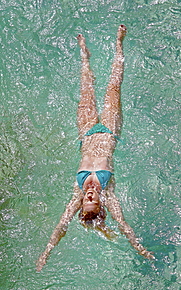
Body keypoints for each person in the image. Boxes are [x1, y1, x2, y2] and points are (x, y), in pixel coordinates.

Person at [36, 25, 154, 272]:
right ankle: (119, 43)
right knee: (114, 87)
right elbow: (123, 225)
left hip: (85, 132)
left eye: (87, 200)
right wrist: (139, 248)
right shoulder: (108, 193)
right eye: (93, 200)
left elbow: (61, 226)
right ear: (101, 204)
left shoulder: (77, 195)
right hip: (110, 130)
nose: (89, 195)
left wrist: (46, 253)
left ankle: (84, 54)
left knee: (86, 89)